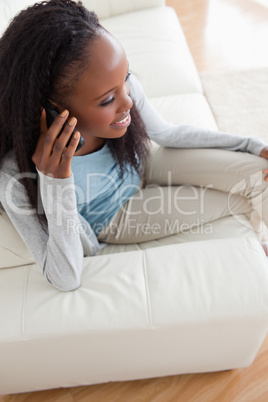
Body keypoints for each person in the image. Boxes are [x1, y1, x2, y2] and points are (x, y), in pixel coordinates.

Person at [1, 0, 268, 291]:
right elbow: (67, 276)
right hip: (118, 215)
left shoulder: (119, 88)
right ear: (51, 107)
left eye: (125, 78)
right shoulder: (16, 173)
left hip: (142, 162)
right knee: (243, 200)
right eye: (107, 100)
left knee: (261, 175)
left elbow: (168, 133)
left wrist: (251, 144)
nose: (127, 101)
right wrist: (55, 182)